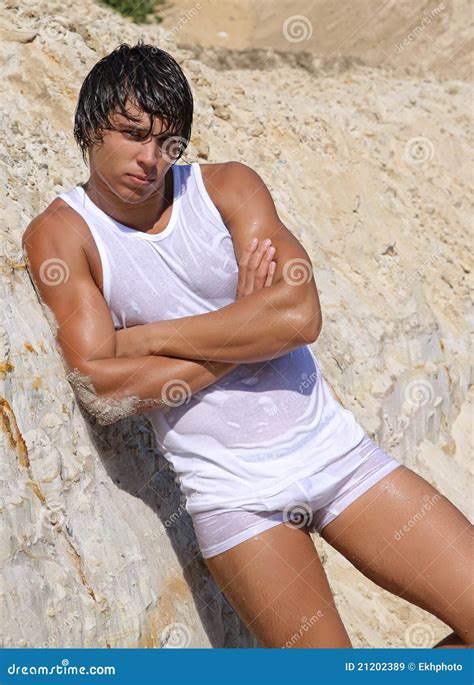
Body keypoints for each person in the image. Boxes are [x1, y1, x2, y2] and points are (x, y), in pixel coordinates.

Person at [22, 41, 473, 649]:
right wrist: (245, 329)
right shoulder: (62, 233)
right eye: (132, 135)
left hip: (337, 456)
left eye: (168, 142)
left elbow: (299, 315)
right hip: (234, 496)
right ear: (88, 128)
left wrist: (150, 338)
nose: (150, 158)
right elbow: (102, 384)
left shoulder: (227, 188)